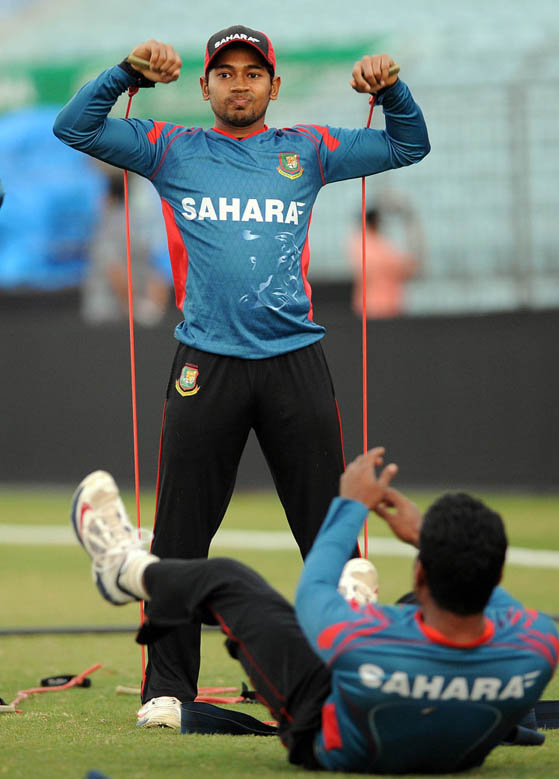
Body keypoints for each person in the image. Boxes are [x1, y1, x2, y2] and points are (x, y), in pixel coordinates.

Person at [53, 25, 430, 724]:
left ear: (273, 87)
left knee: (328, 531)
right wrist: (123, 76)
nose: (238, 83)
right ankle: (168, 688)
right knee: (180, 537)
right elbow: (73, 127)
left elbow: (409, 143)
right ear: (204, 87)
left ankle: (339, 673)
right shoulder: (172, 147)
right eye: (223, 73)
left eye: (251, 73)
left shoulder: (306, 148)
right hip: (207, 362)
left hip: (295, 362)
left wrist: (392, 90)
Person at [71, 447, 559, 773]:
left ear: (420, 571)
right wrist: (429, 542)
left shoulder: (357, 641)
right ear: (497, 578)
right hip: (438, 732)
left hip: (326, 733)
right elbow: (484, 596)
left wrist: (349, 506)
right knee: (411, 613)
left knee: (229, 580)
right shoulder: (538, 645)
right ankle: (358, 601)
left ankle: (124, 569)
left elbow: (313, 596)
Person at [83, 165, 171, 326]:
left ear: (108, 197)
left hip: (111, 316)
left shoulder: (109, 224)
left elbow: (115, 270)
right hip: (127, 312)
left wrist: (135, 307)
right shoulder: (137, 221)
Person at [348, 196, 423, 318]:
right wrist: (409, 219)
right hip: (383, 308)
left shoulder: (359, 242)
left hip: (374, 306)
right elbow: (410, 267)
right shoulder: (377, 247)